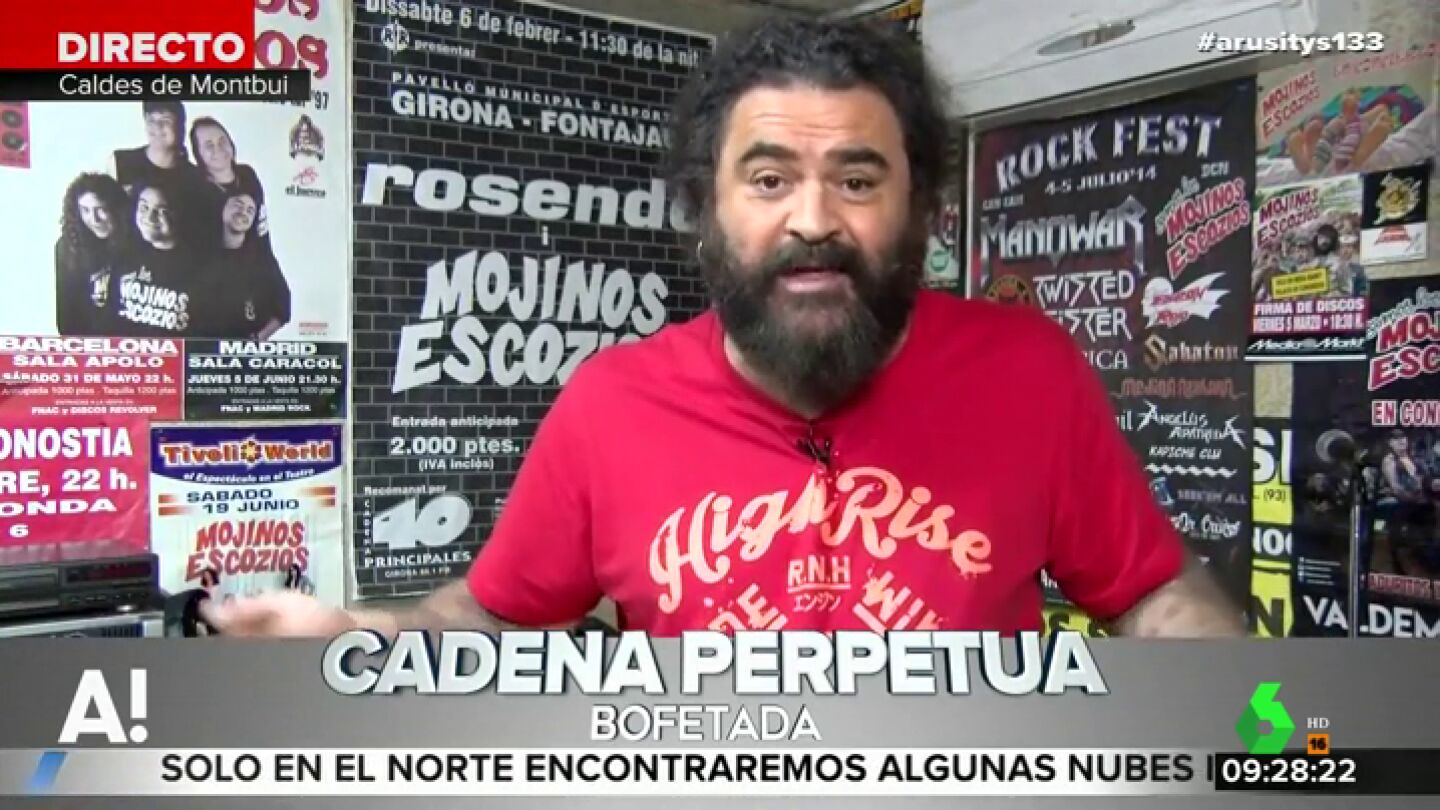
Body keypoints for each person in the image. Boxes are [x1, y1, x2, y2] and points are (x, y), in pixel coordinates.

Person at [205, 15, 1245, 639]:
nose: (814, 219)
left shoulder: (1028, 373)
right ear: (707, 209)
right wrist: (355, 638)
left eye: (858, 179)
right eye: (770, 179)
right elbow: (486, 619)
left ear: (922, 208)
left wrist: (1246, 713)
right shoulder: (609, 406)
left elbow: (1153, 595)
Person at [195, 190, 291, 339]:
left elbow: (283, 308)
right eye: (237, 205)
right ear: (223, 208)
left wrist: (258, 338)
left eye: (250, 210)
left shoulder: (262, 261)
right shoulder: (200, 254)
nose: (243, 212)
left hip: (241, 347)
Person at [110, 182, 200, 337]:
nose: (149, 217)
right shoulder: (124, 255)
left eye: (162, 210)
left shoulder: (200, 267)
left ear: (179, 214)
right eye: (144, 207)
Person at [54, 173, 131, 335]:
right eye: (85, 210)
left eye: (100, 209)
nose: (94, 219)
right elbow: (67, 318)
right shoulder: (68, 247)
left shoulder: (136, 243)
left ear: (116, 209)